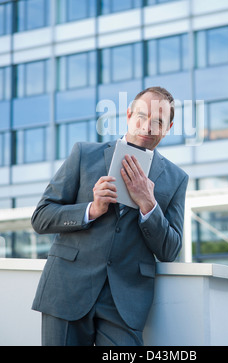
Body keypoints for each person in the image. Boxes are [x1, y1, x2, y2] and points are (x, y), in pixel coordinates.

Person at [31, 86, 189, 346]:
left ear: (168, 127)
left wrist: (149, 205)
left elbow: (171, 250)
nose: (147, 127)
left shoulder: (175, 179)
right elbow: (41, 217)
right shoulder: (84, 155)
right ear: (128, 115)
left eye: (158, 121)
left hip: (125, 304)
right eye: (141, 116)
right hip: (67, 290)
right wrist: (91, 210)